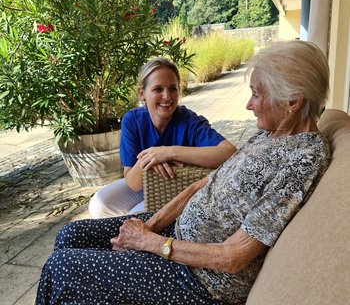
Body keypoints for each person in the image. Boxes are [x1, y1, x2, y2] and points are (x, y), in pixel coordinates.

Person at [35, 40, 331, 305]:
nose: (249, 105)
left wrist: (147, 242)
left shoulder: (302, 158)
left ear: (292, 101)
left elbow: (233, 257)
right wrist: (150, 226)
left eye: (256, 94)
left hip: (201, 278)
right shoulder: (269, 135)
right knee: (70, 234)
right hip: (175, 237)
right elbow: (202, 184)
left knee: (61, 267)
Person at [89, 57, 236, 218]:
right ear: (141, 93)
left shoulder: (189, 120)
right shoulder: (132, 120)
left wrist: (169, 152)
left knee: (135, 217)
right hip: (143, 186)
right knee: (99, 204)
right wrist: (153, 157)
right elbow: (133, 182)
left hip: (177, 188)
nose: (167, 96)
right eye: (158, 89)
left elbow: (229, 152)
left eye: (173, 88)